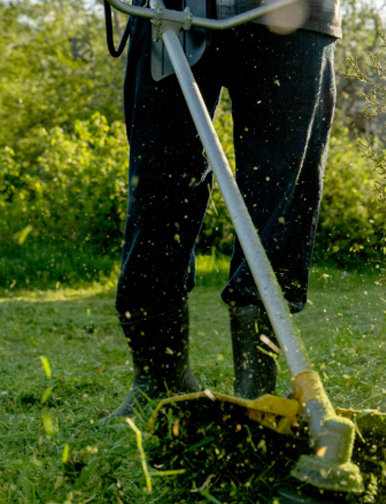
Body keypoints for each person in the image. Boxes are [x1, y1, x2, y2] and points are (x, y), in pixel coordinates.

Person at [107, 0, 341, 418]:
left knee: (281, 198)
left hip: (294, 12)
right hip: (169, 9)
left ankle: (256, 392)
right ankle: (158, 378)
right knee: (159, 188)